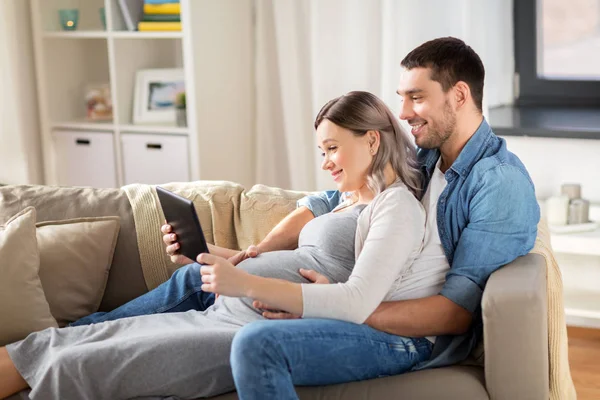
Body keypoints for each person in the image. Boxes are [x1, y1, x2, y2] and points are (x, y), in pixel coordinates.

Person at [0, 91, 439, 400]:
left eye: (332, 148)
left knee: (75, 366)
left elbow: (357, 297)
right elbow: (267, 259)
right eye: (320, 149)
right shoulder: (341, 202)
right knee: (64, 345)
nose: (324, 162)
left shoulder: (393, 207)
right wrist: (208, 253)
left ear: (372, 139)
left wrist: (246, 284)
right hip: (220, 311)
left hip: (242, 328)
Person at [228, 36, 541, 399]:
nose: (404, 112)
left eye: (417, 97)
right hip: (362, 305)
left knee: (257, 343)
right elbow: (334, 198)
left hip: (410, 338)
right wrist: (261, 248)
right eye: (402, 97)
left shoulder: (498, 183)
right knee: (204, 290)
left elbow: (454, 314)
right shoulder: (425, 158)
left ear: (459, 95)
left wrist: (341, 307)